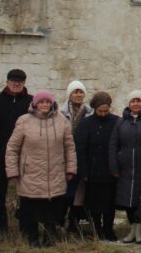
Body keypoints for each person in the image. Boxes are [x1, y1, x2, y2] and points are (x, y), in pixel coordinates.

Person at [5, 90, 77, 247]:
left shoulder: (61, 120)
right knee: (30, 209)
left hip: (55, 173)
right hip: (30, 174)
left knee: (53, 209)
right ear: (35, 104)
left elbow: (69, 147)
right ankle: (32, 238)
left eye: (47, 102)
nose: (44, 105)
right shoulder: (24, 121)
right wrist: (12, 171)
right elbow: (12, 148)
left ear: (52, 103)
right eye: (41, 102)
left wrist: (71, 168)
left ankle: (50, 237)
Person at [0, 69, 33, 234]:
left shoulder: (32, 102)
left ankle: (26, 228)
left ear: (24, 83)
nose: (16, 83)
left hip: (25, 157)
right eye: (13, 80)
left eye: (20, 81)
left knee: (27, 195)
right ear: (7, 82)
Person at [108, 90, 141, 244]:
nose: (136, 104)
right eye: (133, 101)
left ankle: (139, 232)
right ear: (129, 104)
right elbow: (113, 144)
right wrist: (114, 166)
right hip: (125, 168)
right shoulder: (121, 122)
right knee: (128, 202)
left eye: (138, 101)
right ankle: (132, 231)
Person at [75, 92, 120, 241]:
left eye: (106, 111)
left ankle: (109, 229)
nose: (103, 114)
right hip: (92, 171)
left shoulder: (116, 122)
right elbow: (81, 149)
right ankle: (97, 229)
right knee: (94, 205)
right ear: (94, 108)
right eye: (100, 111)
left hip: (110, 171)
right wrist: (84, 172)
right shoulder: (85, 124)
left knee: (109, 204)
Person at [60, 80, 93, 232]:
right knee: (66, 191)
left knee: (80, 194)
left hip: (83, 157)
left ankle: (75, 223)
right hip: (65, 157)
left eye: (81, 92)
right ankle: (60, 222)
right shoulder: (61, 113)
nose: (78, 95)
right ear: (70, 94)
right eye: (75, 92)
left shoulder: (89, 113)